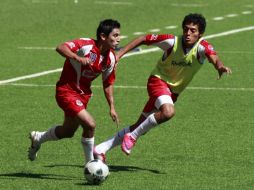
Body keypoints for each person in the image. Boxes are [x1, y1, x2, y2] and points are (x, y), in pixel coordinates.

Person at [93, 13, 232, 161]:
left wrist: (220, 66)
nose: (188, 33)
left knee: (141, 126)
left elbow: (214, 57)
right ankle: (132, 137)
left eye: (193, 30)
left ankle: (100, 149)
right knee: (168, 112)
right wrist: (119, 54)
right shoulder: (172, 42)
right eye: (186, 29)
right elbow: (143, 39)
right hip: (158, 82)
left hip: (172, 93)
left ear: (200, 34)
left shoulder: (202, 47)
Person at [28, 19, 121, 164]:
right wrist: (77, 57)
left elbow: (108, 83)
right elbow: (61, 47)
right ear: (103, 36)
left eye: (118, 36)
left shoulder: (110, 58)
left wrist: (112, 107)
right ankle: (90, 164)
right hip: (66, 91)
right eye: (115, 36)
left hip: (83, 96)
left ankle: (39, 138)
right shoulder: (86, 45)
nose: (118, 39)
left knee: (68, 131)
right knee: (90, 124)